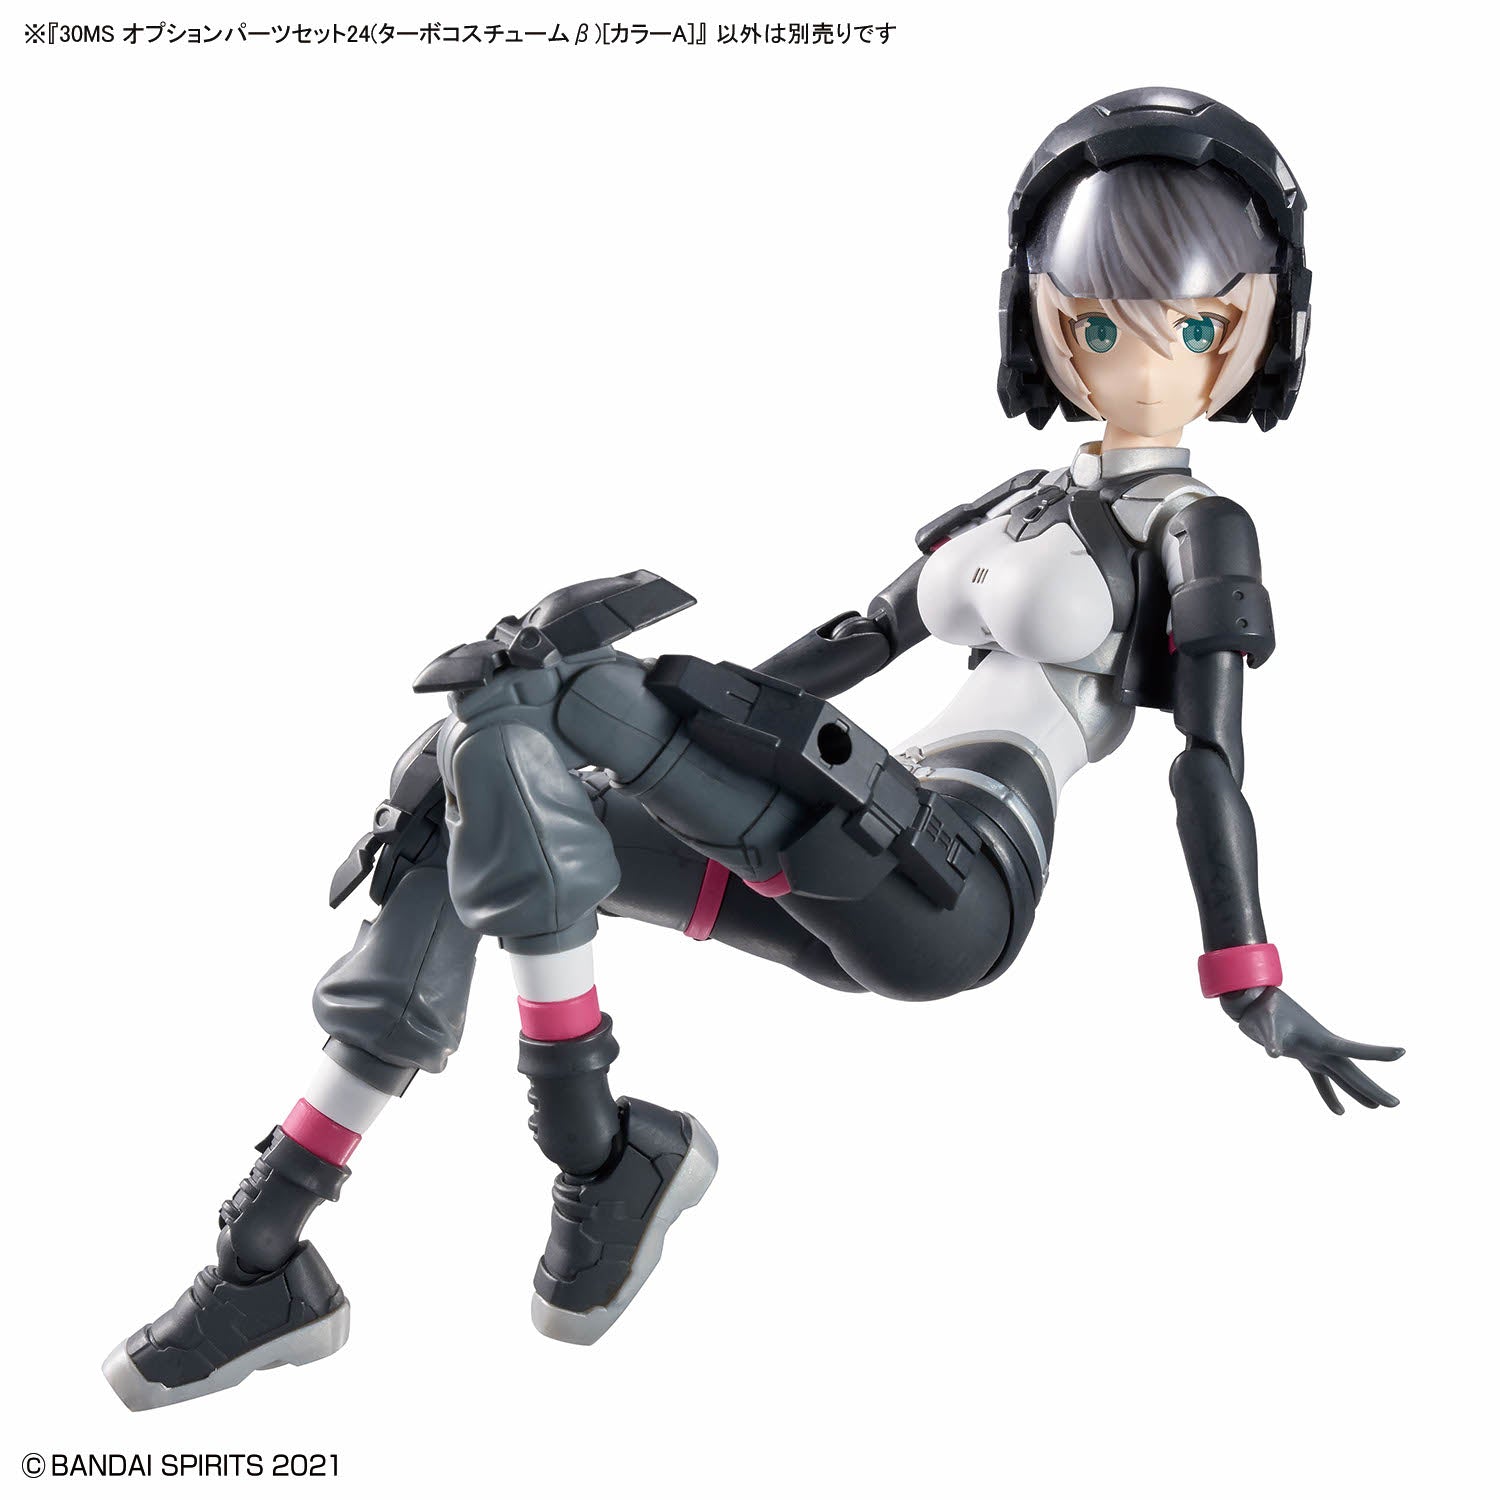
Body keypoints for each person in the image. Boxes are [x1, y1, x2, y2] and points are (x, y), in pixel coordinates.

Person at [103, 86, 1401, 1412]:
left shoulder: (1197, 529)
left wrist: (1248, 977)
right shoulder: (1015, 508)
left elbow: (1209, 760)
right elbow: (847, 644)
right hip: (829, 845)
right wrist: (652, 748)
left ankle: (588, 1154)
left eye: (1195, 327)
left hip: (951, 885)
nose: (1144, 362)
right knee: (469, 779)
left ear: (1260, 332)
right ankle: (297, 1248)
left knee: (560, 700)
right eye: (1099, 323)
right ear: (1039, 318)